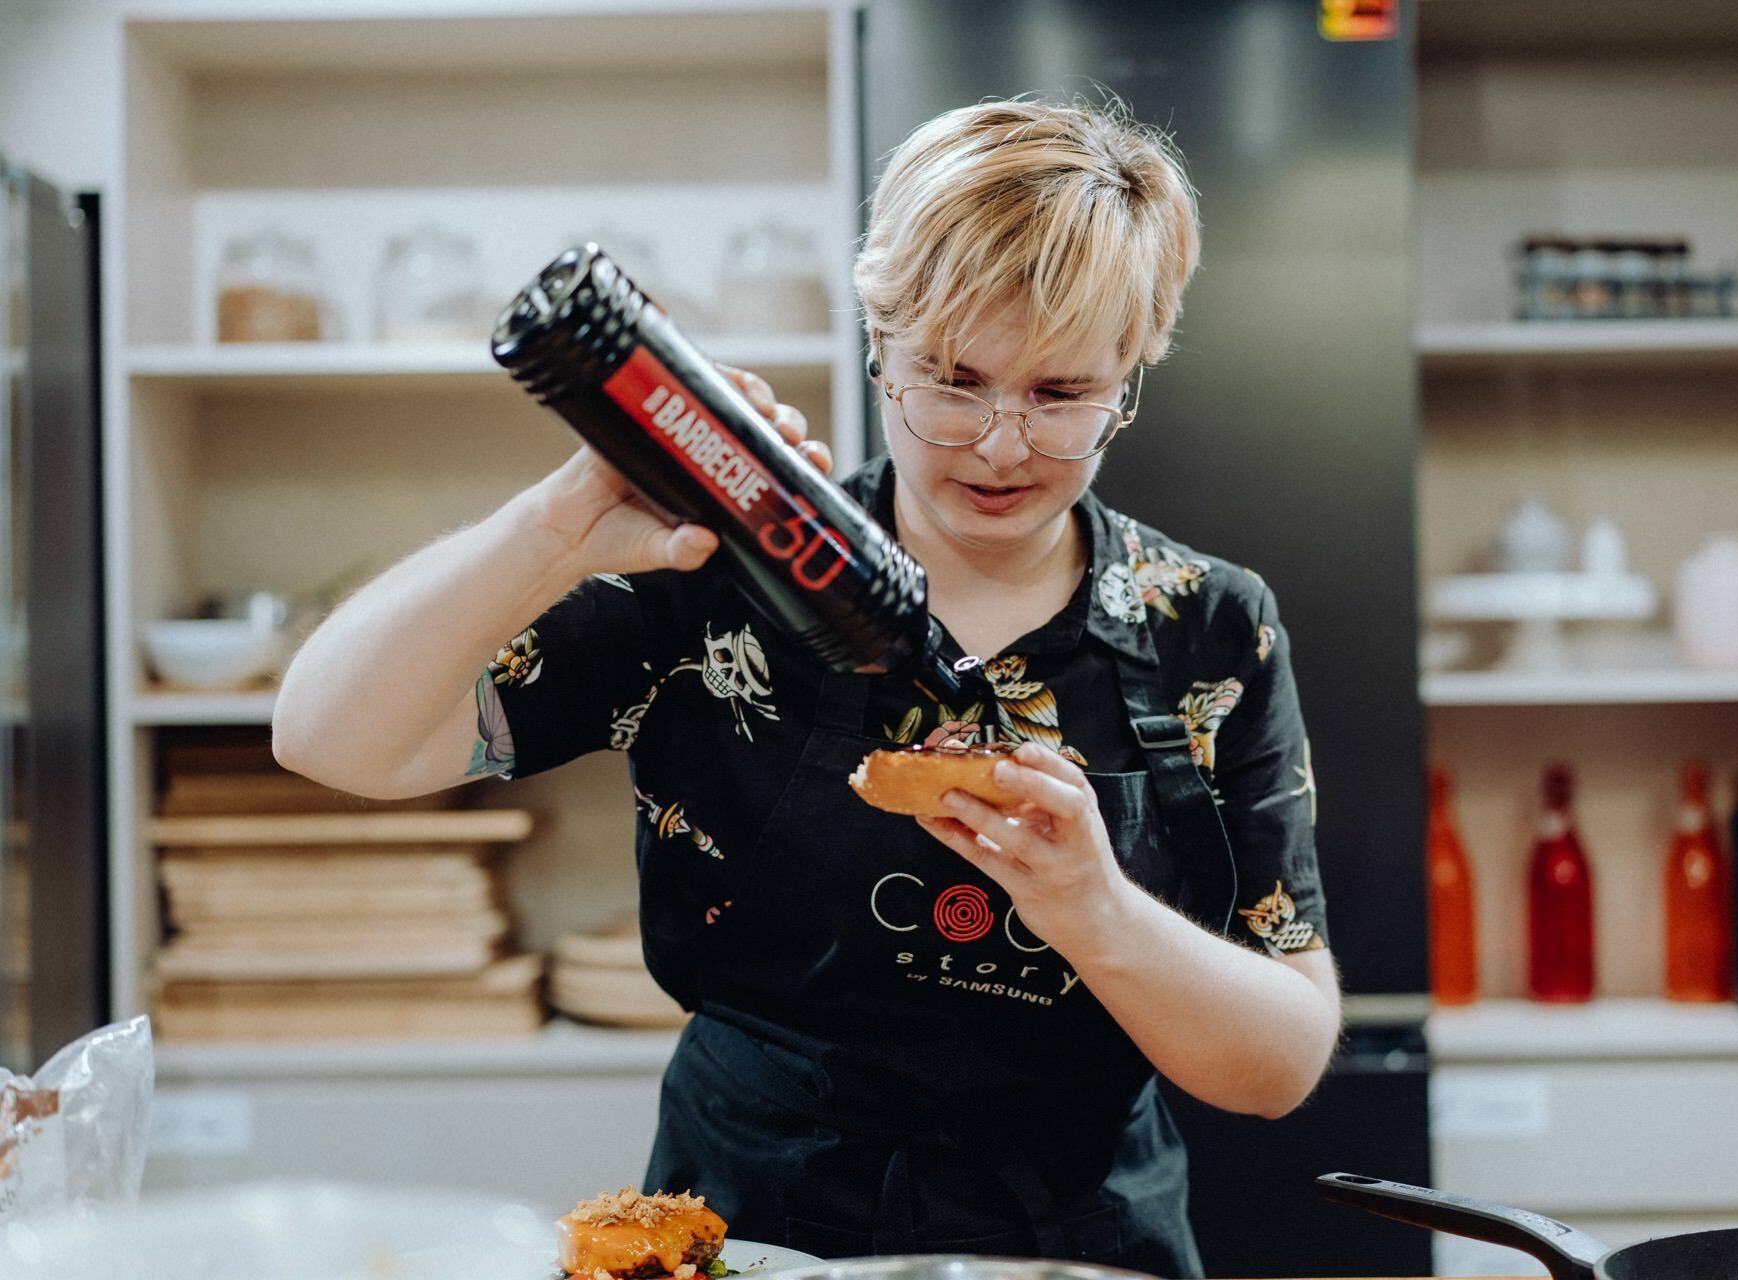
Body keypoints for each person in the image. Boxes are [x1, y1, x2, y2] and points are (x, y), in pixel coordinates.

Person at [274, 97, 1340, 1277]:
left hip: (1077, 1241)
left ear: (1132, 375)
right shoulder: (717, 575)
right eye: (951, 377)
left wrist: (1095, 907)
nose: (998, 444)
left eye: (1060, 395)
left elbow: (1281, 1060)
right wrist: (559, 525)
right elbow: (327, 735)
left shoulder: (1209, 627)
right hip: (743, 1229)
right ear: (877, 341)